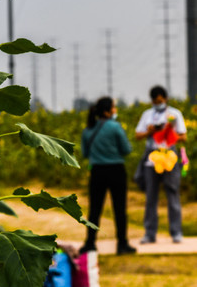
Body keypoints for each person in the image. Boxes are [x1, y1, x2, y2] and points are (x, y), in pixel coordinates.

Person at [79, 97, 136, 255]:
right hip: (116, 170)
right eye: (113, 107)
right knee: (119, 209)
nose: (115, 110)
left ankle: (90, 243)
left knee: (95, 209)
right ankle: (122, 244)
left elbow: (85, 153)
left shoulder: (88, 129)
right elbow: (126, 149)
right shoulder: (115, 127)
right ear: (107, 111)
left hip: (97, 171)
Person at [135, 85, 187, 244]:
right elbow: (138, 135)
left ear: (165, 99)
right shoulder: (147, 115)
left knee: (173, 194)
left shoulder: (174, 114)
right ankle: (150, 233)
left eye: (160, 100)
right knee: (151, 196)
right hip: (152, 158)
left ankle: (176, 232)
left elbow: (183, 136)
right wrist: (150, 132)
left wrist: (168, 131)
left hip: (170, 156)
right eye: (155, 101)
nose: (158, 103)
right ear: (152, 101)